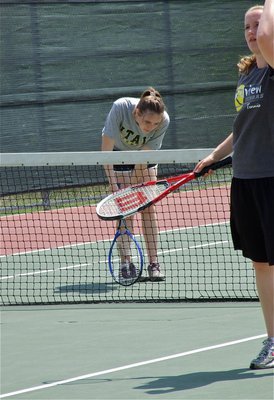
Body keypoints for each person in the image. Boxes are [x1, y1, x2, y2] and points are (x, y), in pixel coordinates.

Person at [195, 1, 274, 369]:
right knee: (261, 263)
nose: (250, 31)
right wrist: (213, 156)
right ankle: (273, 339)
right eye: (245, 26)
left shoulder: (273, 70)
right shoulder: (246, 76)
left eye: (257, 24)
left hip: (272, 180)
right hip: (244, 179)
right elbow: (240, 127)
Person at [101, 87, 170, 281]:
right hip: (119, 156)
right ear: (136, 113)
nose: (150, 127)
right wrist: (114, 185)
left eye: (154, 124)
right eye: (147, 121)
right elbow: (105, 149)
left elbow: (144, 156)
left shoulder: (164, 120)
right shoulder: (120, 108)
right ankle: (125, 263)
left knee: (147, 208)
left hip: (144, 158)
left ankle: (154, 263)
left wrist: (130, 186)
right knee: (126, 210)